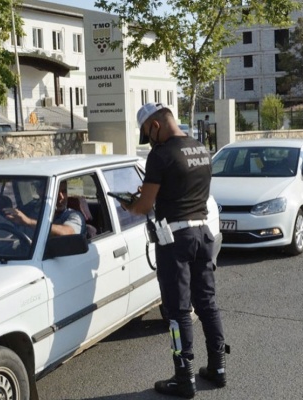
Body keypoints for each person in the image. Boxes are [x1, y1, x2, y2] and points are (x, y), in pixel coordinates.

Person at [121, 103, 227, 398]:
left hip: (175, 240)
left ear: (155, 126)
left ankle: (184, 379)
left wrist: (128, 204)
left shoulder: (161, 155)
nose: (149, 141)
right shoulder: (201, 148)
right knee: (207, 303)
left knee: (178, 311)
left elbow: (144, 205)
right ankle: (218, 368)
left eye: (147, 134)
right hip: (203, 234)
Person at [3, 180, 85, 237]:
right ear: (40, 192)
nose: (61, 197)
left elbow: (67, 232)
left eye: (64, 191)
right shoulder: (28, 210)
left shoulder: (74, 216)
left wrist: (28, 222)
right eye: (55, 192)